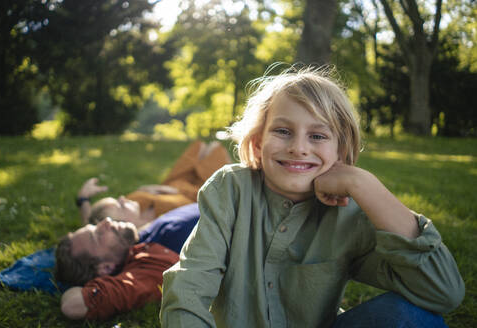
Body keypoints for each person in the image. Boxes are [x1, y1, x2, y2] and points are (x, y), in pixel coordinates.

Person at [160, 66, 465, 327]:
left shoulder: (352, 214)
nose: (299, 148)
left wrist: (363, 184)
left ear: (340, 152)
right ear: (256, 144)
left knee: (409, 317)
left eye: (317, 136)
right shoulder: (230, 190)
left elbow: (442, 292)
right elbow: (189, 285)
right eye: (282, 131)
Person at [55, 203, 200, 320]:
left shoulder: (134, 240)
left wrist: (84, 201)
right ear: (105, 268)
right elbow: (73, 305)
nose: (105, 222)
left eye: (95, 226)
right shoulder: (144, 270)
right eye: (98, 234)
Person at [76, 140, 230, 228]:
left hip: (174, 182)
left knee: (201, 146)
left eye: (117, 199)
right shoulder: (151, 228)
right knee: (216, 148)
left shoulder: (132, 204)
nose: (122, 198)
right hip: (202, 190)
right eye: (120, 205)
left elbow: (89, 224)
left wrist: (83, 199)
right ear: (124, 227)